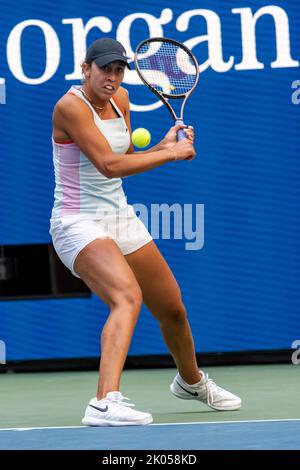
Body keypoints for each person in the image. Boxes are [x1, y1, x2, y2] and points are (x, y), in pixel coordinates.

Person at [50, 37, 241, 426]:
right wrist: (171, 154)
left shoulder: (120, 100)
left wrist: (161, 144)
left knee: (172, 308)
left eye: (119, 70)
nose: (113, 77)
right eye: (105, 69)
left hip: (119, 215)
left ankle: (191, 382)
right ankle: (104, 402)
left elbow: (126, 159)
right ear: (86, 69)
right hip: (76, 221)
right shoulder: (70, 107)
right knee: (126, 296)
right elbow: (107, 165)